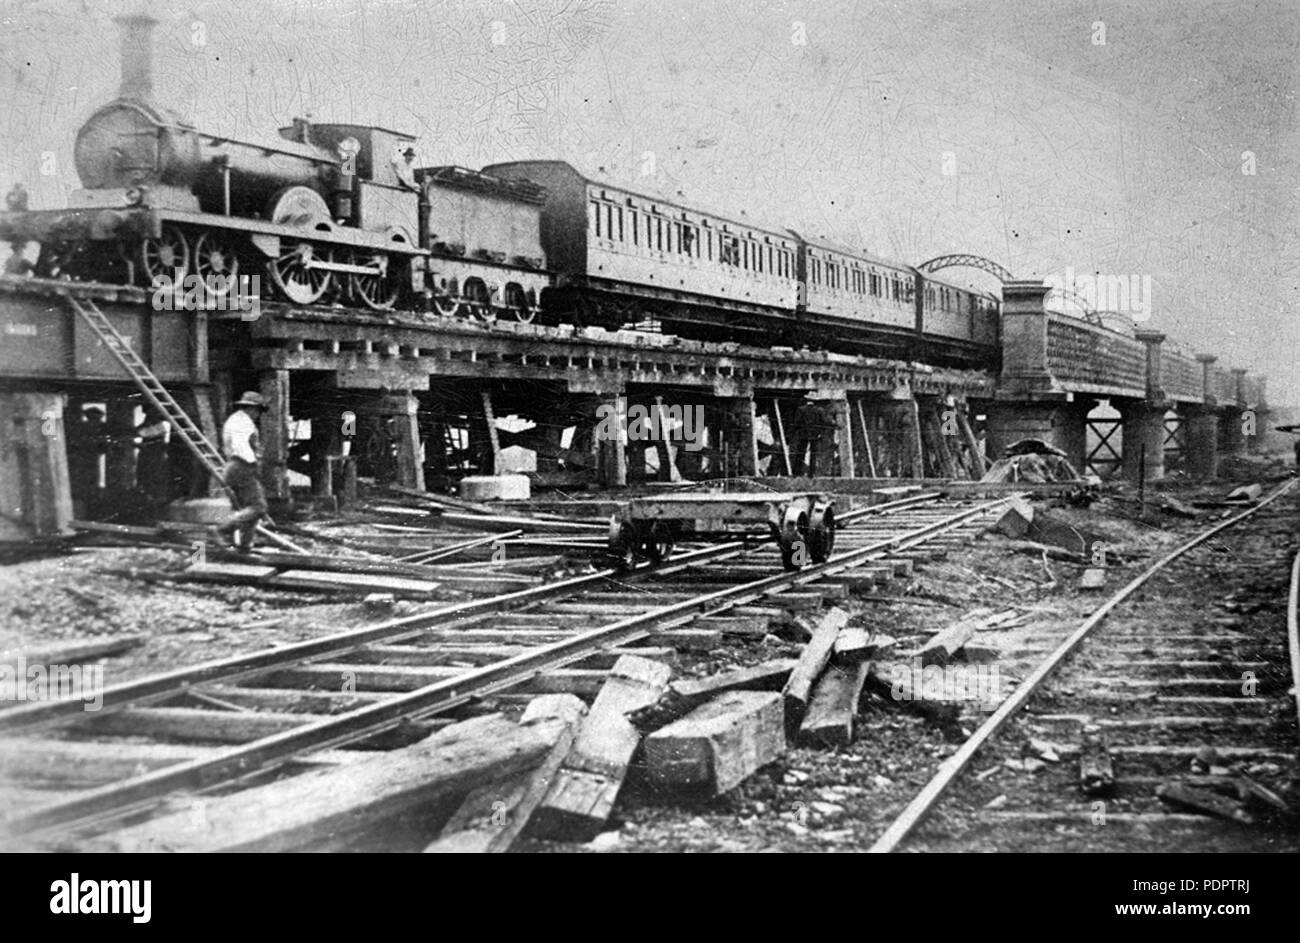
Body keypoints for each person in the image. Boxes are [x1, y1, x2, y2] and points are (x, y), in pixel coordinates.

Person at [213, 391, 269, 552]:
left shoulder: (235, 420)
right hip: (242, 465)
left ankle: (245, 546)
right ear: (251, 408)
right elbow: (242, 447)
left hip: (233, 466)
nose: (258, 415)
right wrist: (254, 464)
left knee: (248, 508)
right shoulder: (243, 423)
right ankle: (222, 530)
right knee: (258, 507)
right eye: (258, 410)